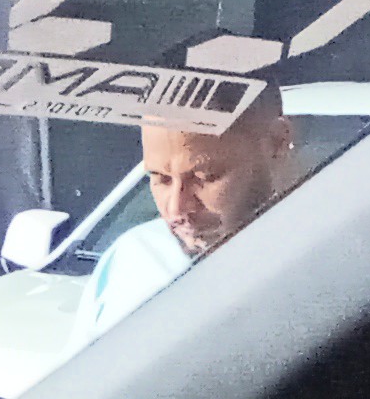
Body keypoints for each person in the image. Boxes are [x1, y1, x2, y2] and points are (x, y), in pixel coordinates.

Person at [73, 87, 308, 345]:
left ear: (277, 142)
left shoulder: (320, 260)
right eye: (161, 179)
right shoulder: (131, 259)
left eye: (205, 177)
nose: (176, 209)